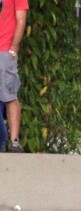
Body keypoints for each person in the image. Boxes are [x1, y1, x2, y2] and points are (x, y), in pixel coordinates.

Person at [0, 0, 28, 153]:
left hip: (5, 50)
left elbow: (21, 19)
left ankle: (14, 141)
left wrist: (14, 47)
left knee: (9, 95)